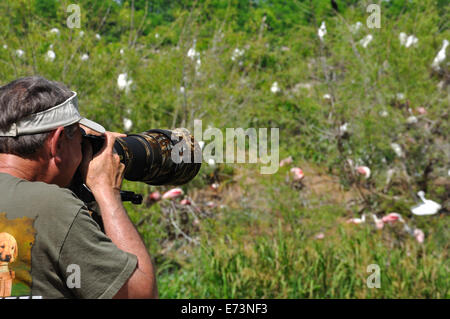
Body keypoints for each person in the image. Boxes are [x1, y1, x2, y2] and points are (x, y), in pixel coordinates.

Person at [0, 76, 158, 299]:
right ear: (57, 142)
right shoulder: (51, 207)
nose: (84, 151)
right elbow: (140, 294)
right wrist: (106, 191)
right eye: (80, 140)